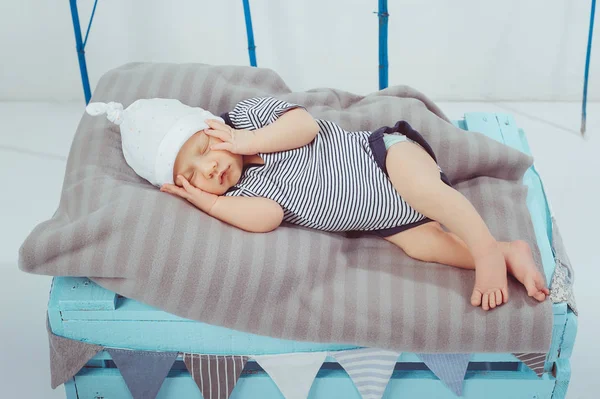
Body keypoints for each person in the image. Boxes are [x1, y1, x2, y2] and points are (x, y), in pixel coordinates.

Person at [87, 96, 549, 312]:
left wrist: (246, 139)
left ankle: (485, 248)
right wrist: (204, 204)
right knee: (424, 246)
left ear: (211, 126)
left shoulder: (247, 120)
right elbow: (266, 219)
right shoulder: (241, 195)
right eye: (190, 177)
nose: (207, 170)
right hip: (382, 219)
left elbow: (304, 125)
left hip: (384, 157)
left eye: (204, 151)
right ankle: (509, 252)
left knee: (428, 192)